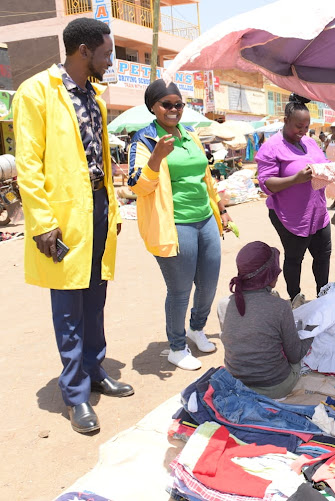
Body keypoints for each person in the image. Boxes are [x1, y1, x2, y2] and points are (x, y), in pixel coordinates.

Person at [13, 18, 131, 434]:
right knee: (68, 306)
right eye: (107, 53)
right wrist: (43, 222)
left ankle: (96, 370)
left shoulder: (93, 97)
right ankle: (76, 394)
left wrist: (110, 212)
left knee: (95, 297)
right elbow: (28, 165)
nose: (111, 61)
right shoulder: (36, 93)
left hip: (97, 208)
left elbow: (96, 160)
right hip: (61, 215)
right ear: (83, 51)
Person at [127, 79, 230, 371]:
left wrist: (221, 209)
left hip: (205, 218)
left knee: (208, 284)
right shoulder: (145, 139)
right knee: (180, 290)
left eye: (178, 104)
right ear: (153, 107)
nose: (174, 110)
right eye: (166, 104)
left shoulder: (190, 135)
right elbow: (137, 186)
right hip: (174, 224)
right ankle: (176, 346)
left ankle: (196, 329)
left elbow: (205, 176)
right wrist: (157, 158)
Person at [256, 94, 331, 307]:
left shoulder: (309, 142)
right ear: (285, 120)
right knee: (294, 258)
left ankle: (323, 296)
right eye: (299, 126)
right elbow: (267, 184)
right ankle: (295, 299)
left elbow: (322, 163)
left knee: (323, 255)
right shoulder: (271, 147)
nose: (303, 131)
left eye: (306, 127)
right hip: (290, 215)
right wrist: (295, 179)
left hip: (317, 212)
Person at [220, 241, 313, 398]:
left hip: (237, 383)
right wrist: (312, 333)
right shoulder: (280, 307)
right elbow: (295, 355)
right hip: (276, 386)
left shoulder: (223, 304)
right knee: (301, 353)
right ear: (269, 274)